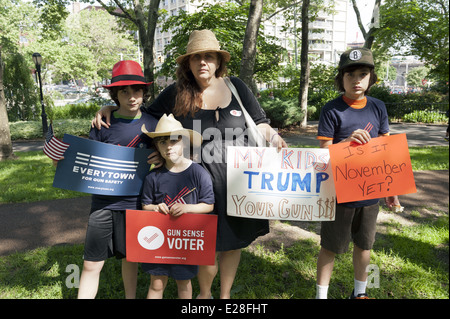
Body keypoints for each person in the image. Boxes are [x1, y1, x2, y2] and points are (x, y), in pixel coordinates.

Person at [92, 29, 287, 299]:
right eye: (196, 58)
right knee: (207, 244)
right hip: (197, 185)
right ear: (188, 63)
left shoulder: (237, 87)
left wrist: (274, 137)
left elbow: (260, 122)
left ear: (219, 61)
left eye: (209, 56)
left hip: (240, 181)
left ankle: (225, 296)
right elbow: (144, 117)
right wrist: (110, 110)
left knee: (232, 244)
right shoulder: (176, 92)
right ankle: (204, 294)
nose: (203, 62)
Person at [315, 48, 401, 299]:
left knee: (365, 245)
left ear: (371, 78)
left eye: (363, 74)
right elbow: (324, 152)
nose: (356, 80)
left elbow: (387, 151)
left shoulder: (378, 107)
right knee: (330, 247)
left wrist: (392, 189)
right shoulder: (331, 109)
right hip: (339, 192)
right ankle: (321, 295)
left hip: (370, 193)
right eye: (350, 75)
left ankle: (360, 293)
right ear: (341, 79)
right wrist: (348, 144)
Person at [77, 60, 158, 298]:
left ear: (144, 92)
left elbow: (167, 153)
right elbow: (88, 160)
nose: (132, 97)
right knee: (91, 263)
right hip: (103, 203)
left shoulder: (153, 123)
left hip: (136, 202)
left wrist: (162, 158)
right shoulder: (103, 124)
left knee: (131, 258)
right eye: (125, 91)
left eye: (137, 90)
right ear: (115, 95)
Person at [140, 113, 215, 299]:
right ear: (157, 146)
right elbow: (145, 206)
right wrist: (156, 208)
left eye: (174, 141)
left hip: (185, 240)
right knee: (156, 283)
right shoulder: (153, 177)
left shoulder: (199, 173)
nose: (168, 147)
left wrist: (187, 208)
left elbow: (208, 205)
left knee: (184, 282)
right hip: (158, 239)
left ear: (184, 142)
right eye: (162, 142)